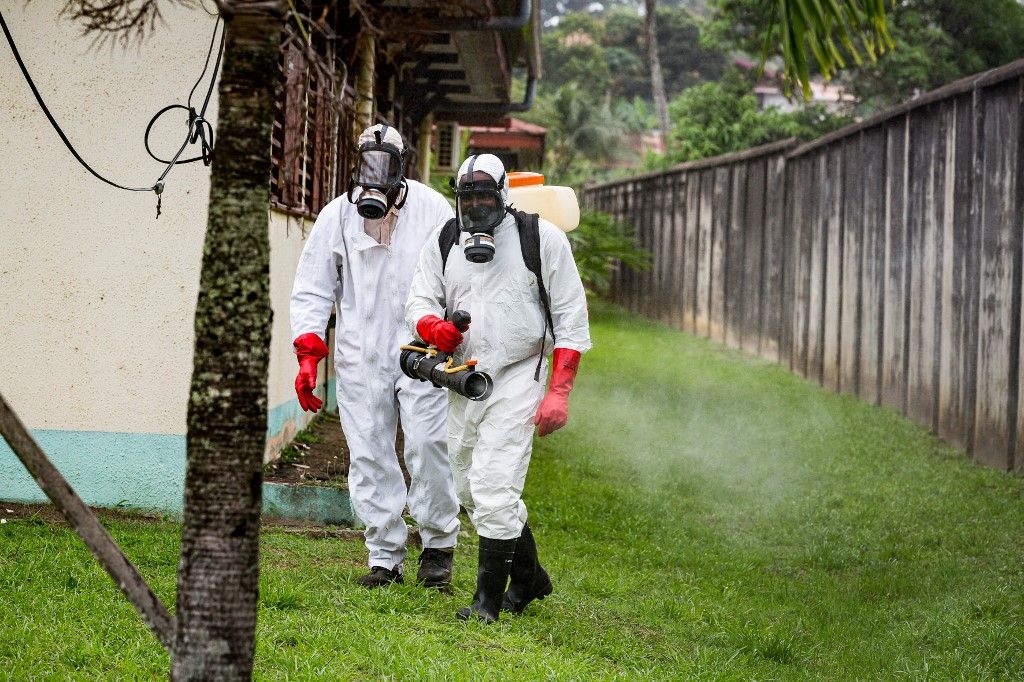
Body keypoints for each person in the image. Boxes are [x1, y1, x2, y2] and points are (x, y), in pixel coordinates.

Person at [405, 153, 591, 622]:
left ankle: (487, 602)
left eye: (485, 197)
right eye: (467, 199)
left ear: (504, 195)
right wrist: (433, 327)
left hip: (517, 373)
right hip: (462, 376)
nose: (475, 208)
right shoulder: (445, 238)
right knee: (468, 485)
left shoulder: (539, 239)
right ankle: (530, 577)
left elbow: (571, 319)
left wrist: (559, 392)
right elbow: (420, 297)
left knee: (494, 485)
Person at [290, 123, 461, 589]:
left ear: (401, 167)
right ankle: (384, 555)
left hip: (420, 349)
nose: (376, 175)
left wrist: (450, 329)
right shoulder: (336, 216)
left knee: (427, 444)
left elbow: (457, 276)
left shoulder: (433, 210)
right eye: (368, 162)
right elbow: (312, 286)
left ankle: (438, 547)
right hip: (360, 353)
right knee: (368, 451)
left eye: (385, 164)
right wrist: (308, 351)